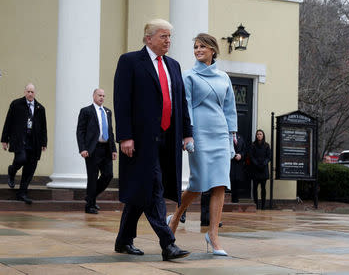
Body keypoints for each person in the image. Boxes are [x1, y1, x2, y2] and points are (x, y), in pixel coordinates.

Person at [113, 19, 193, 261]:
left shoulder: (174, 65)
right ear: (148, 38)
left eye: (169, 37)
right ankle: (168, 243)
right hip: (140, 139)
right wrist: (125, 136)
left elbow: (180, 101)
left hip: (168, 139)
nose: (168, 41)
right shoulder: (130, 62)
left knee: (141, 189)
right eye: (163, 36)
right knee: (154, 187)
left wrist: (187, 131)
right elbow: (121, 101)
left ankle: (123, 240)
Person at [167, 33, 237, 257]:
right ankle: (176, 217)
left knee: (220, 184)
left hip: (219, 133)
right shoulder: (188, 76)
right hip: (199, 134)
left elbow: (229, 109)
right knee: (198, 182)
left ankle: (213, 235)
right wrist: (187, 135)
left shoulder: (224, 77)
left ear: (213, 50)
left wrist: (231, 136)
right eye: (195, 47)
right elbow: (184, 107)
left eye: (202, 47)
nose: (198, 50)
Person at [1, 83, 47, 204]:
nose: (30, 94)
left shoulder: (40, 108)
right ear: (25, 92)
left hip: (34, 142)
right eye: (28, 91)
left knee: (30, 168)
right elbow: (8, 122)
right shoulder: (16, 104)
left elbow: (43, 127)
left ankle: (22, 193)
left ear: (35, 93)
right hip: (20, 139)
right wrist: (4, 139)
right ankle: (12, 171)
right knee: (21, 159)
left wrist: (44, 142)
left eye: (32, 92)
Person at [76, 88, 117, 214]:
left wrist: (113, 149)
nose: (102, 98)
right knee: (92, 177)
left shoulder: (107, 112)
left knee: (108, 175)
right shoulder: (86, 111)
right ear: (94, 96)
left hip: (106, 149)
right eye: (99, 95)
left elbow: (110, 131)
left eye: (103, 96)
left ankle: (90, 197)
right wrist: (82, 148)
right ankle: (89, 206)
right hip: (92, 149)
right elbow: (80, 131)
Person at [249, 129, 271, 210]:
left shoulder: (267, 145)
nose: (259, 135)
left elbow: (269, 157)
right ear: (256, 136)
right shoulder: (253, 145)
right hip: (255, 169)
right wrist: (257, 164)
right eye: (257, 134)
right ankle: (256, 205)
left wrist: (264, 164)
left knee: (263, 188)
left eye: (260, 134)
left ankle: (263, 206)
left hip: (264, 169)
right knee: (255, 188)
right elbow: (251, 156)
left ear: (263, 135)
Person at [230, 133, 246, 203]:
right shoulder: (227, 137)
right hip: (230, 163)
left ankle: (235, 200)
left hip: (238, 164)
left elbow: (244, 150)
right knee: (230, 181)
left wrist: (241, 155)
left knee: (237, 181)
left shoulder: (240, 137)